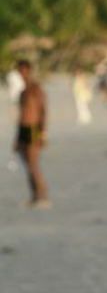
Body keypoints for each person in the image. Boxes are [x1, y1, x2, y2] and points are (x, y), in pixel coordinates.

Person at [13, 60, 50, 207]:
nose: (22, 74)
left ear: (29, 71)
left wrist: (42, 133)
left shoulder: (36, 89)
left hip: (34, 129)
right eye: (19, 71)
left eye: (23, 71)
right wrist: (17, 138)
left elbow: (43, 112)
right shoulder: (22, 92)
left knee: (33, 163)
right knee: (27, 164)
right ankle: (34, 195)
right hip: (23, 129)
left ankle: (42, 195)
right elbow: (21, 115)